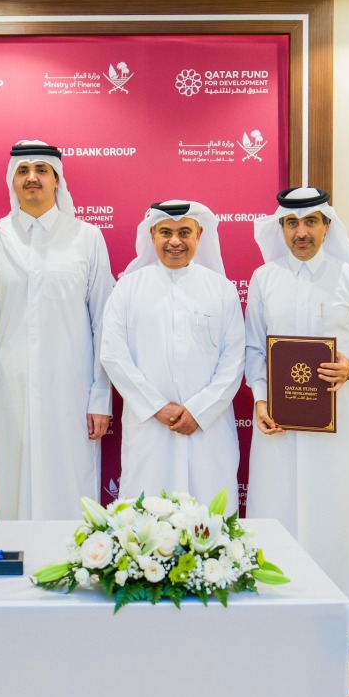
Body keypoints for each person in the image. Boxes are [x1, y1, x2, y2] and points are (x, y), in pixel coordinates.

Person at [244, 186, 349, 637]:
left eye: (310, 221)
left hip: (338, 427)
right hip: (278, 427)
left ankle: (338, 621)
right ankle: (278, 614)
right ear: (281, 228)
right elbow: (254, 349)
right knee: (279, 509)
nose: (301, 231)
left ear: (327, 225)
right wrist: (260, 397)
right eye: (292, 223)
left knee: (336, 516)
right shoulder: (263, 279)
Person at [0, 140, 114, 520]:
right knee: (14, 490)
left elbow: (104, 322)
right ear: (12, 180)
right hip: (10, 392)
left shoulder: (87, 238)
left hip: (72, 391)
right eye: (22, 171)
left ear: (57, 180)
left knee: (71, 490)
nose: (31, 178)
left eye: (41, 170)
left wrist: (100, 398)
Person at [100, 200, 244, 502]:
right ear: (152, 234)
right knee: (146, 521)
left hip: (208, 429)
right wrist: (156, 407)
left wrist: (199, 410)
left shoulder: (222, 290)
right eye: (166, 232)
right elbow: (113, 355)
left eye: (184, 232)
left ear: (199, 234)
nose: (175, 241)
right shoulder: (127, 288)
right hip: (150, 427)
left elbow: (233, 361)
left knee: (211, 522)